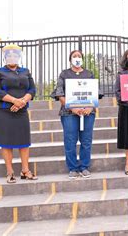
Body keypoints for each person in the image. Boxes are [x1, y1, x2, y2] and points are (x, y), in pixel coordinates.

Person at [0, 44, 38, 183]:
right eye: (9, 55)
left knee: (24, 142)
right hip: (3, 111)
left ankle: (25, 171)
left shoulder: (25, 71)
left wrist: (22, 102)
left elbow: (32, 90)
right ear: (5, 57)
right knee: (6, 142)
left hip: (21, 110)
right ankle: (10, 172)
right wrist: (14, 101)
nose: (12, 57)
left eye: (15, 55)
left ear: (19, 57)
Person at [52, 50, 96, 179]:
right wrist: (73, 108)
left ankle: (84, 167)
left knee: (86, 140)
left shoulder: (89, 74)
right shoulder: (64, 74)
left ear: (82, 58)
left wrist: (89, 106)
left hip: (88, 112)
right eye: (74, 56)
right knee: (70, 140)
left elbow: (95, 93)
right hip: (69, 113)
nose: (77, 58)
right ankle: (72, 168)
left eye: (79, 56)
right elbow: (59, 93)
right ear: (70, 59)